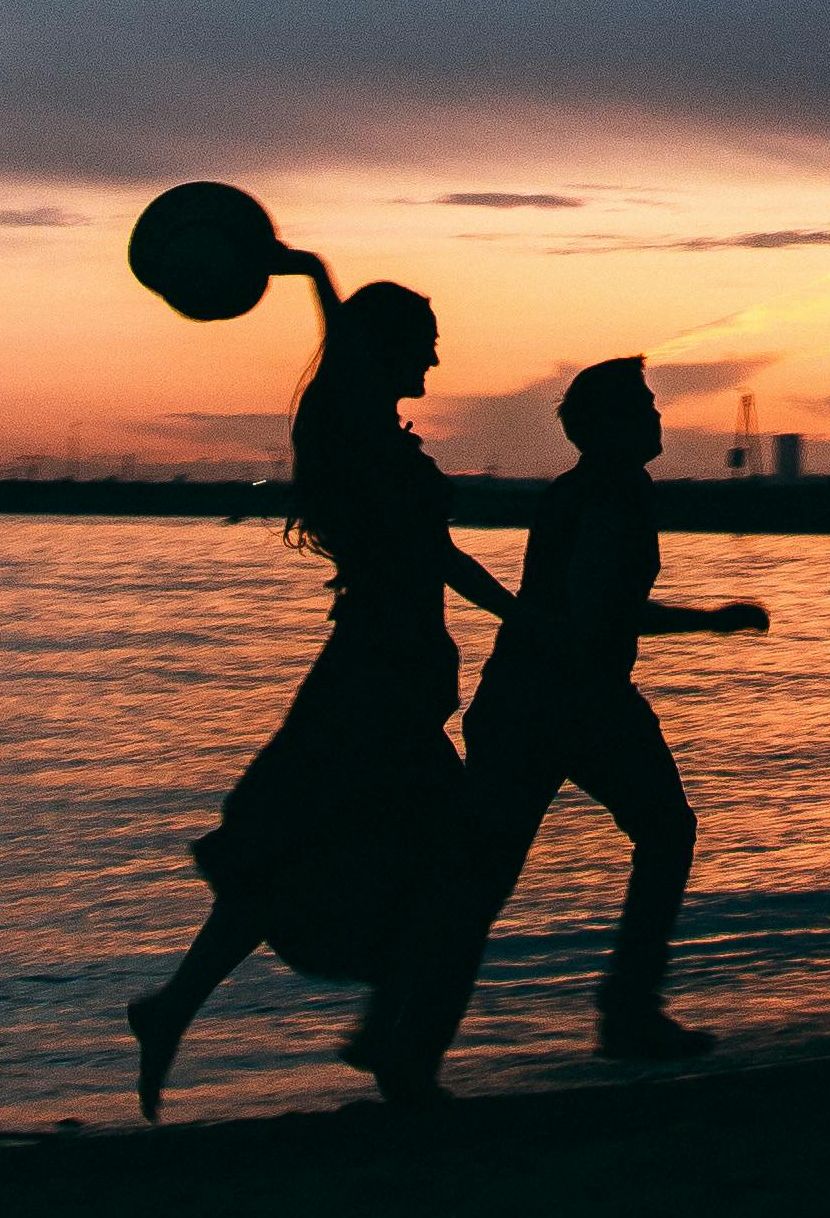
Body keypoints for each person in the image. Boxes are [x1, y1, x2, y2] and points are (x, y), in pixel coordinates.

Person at [128, 253, 517, 1114]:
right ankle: (386, 1039)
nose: (437, 362)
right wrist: (308, 270)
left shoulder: (366, 431)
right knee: (453, 858)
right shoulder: (348, 431)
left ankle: (175, 1010)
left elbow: (436, 554)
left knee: (290, 856)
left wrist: (511, 610)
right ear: (387, 348)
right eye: (426, 344)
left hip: (389, 676)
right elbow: (429, 549)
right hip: (375, 680)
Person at [403, 356, 765, 1073]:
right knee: (657, 834)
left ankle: (407, 1040)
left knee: (489, 875)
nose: (659, 417)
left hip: (539, 697)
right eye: (646, 406)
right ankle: (623, 1014)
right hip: (565, 700)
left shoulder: (589, 488)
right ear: (611, 424)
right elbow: (600, 611)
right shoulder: (611, 491)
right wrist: (709, 622)